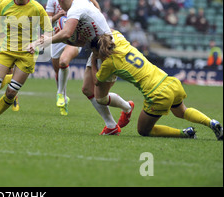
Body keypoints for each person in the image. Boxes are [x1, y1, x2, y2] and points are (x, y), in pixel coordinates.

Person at [29, 0, 132, 135]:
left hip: (108, 50)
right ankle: (111, 126)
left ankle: (127, 108)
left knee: (101, 97)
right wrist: (54, 38)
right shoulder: (81, 3)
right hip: (97, 49)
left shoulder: (75, 9)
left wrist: (44, 41)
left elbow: (66, 33)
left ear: (61, 0)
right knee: (87, 89)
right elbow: (80, 41)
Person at [90, 32, 223, 140]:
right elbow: (112, 31)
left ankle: (185, 133)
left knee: (143, 130)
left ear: (98, 51)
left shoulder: (109, 63)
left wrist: (93, 61)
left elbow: (97, 81)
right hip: (170, 82)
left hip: (157, 93)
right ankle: (211, 122)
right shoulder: (120, 40)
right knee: (182, 111)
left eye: (94, 52)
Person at [0, 0, 52, 125]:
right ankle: (8, 79)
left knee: (12, 91)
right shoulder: (5, 4)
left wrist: (36, 43)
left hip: (27, 54)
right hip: (7, 50)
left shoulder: (37, 8)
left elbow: (48, 33)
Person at [45, 0, 100, 115]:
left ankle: (60, 94)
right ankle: (63, 97)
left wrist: (98, 13)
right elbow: (46, 21)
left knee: (64, 62)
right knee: (58, 70)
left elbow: (93, 1)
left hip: (74, 37)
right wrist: (58, 16)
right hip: (59, 36)